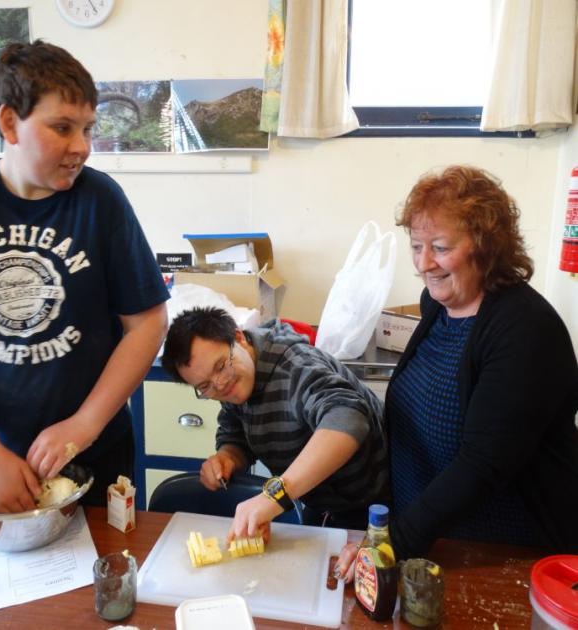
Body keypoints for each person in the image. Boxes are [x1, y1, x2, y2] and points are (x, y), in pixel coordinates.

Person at [0, 40, 169, 513]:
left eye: (88, 128)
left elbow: (147, 324)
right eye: (62, 128)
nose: (82, 147)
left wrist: (84, 425)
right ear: (10, 123)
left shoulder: (101, 200)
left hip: (93, 454)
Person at [335, 164, 578, 580]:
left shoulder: (524, 330)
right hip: (431, 537)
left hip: (499, 555)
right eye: (416, 246)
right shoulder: (437, 307)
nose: (425, 263)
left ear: (486, 247)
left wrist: (393, 542)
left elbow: (483, 464)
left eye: (441, 247)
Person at [161, 307, 388, 540]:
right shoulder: (233, 381)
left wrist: (276, 496)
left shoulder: (296, 366)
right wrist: (228, 457)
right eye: (204, 386)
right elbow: (237, 434)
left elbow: (348, 415)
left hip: (378, 509)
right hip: (322, 503)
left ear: (238, 338)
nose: (219, 385)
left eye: (220, 366)